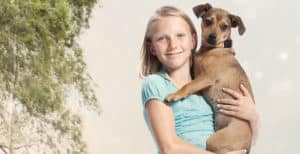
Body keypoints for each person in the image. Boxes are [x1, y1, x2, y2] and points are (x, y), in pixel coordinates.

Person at [139, 6, 259, 154]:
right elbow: (168, 148)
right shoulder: (155, 83)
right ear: (152, 48)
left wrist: (253, 117)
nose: (173, 45)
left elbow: (244, 143)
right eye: (162, 38)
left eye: (180, 36)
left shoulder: (202, 89)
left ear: (193, 40)